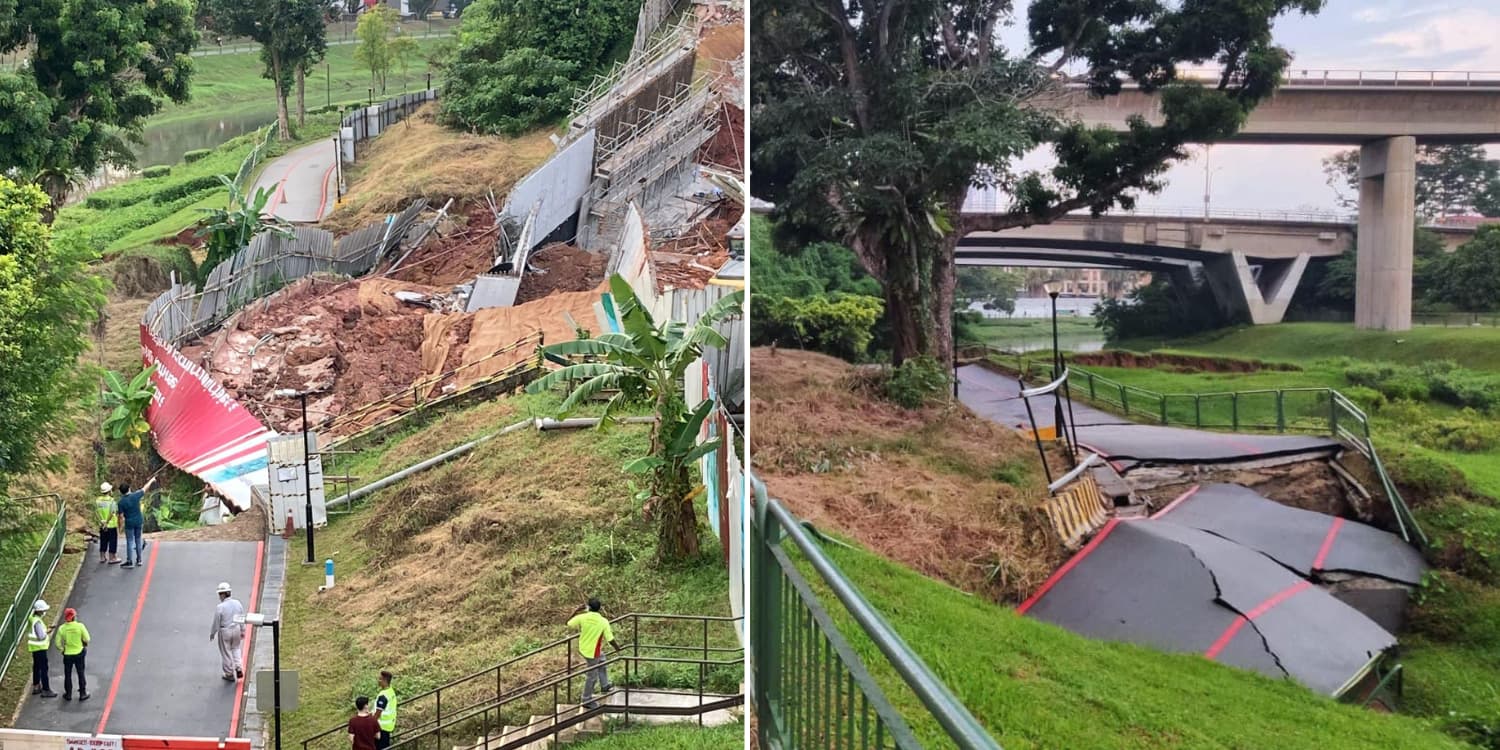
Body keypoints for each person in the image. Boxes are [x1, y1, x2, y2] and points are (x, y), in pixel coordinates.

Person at [566, 598, 621, 709]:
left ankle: (605, 685)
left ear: (588, 607)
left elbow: (569, 623)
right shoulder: (603, 621)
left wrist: (576, 611)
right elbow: (610, 639)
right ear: (599, 609)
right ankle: (586, 699)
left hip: (584, 648)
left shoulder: (582, 617)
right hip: (593, 652)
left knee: (602, 660)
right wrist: (618, 648)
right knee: (592, 676)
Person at [117, 477, 157, 569]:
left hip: (129, 523)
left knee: (130, 541)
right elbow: (145, 488)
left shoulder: (121, 503)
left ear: (121, 492)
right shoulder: (135, 495)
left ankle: (129, 561)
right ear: (129, 489)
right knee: (138, 539)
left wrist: (119, 527)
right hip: (139, 521)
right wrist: (151, 480)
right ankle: (139, 560)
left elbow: (120, 517)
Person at [210, 582, 245, 681]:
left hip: (225, 631)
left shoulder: (220, 607)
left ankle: (229, 673)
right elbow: (241, 617)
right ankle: (238, 667)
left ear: (223, 594)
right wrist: (242, 630)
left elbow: (216, 622)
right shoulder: (237, 603)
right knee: (236, 649)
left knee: (226, 652)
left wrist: (213, 633)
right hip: (236, 628)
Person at [56, 608, 90, 701]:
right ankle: (83, 693)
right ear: (74, 617)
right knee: (81, 672)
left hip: (68, 654)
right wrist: (83, 643)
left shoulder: (62, 628)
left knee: (67, 674)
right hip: (79, 652)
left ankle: (68, 694)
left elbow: (57, 643)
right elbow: (87, 638)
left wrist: (62, 650)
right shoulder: (80, 626)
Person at [27, 599, 56, 698]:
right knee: (44, 668)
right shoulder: (37, 622)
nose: (44, 612)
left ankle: (36, 686)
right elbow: (41, 636)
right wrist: (47, 631)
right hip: (40, 648)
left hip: (35, 648)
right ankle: (46, 689)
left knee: (36, 667)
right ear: (39, 611)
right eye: (43, 610)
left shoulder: (32, 618)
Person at [96, 482, 119, 564]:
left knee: (103, 540)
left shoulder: (98, 500)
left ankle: (102, 557)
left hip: (102, 525)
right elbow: (112, 512)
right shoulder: (111, 501)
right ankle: (112, 558)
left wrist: (102, 522)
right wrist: (107, 522)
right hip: (111, 524)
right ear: (109, 491)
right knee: (112, 540)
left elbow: (97, 512)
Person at [373, 671, 397, 750]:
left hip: (381, 727)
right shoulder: (391, 691)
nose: (378, 681)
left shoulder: (383, 696)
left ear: (384, 680)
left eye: (380, 679)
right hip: (388, 726)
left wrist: (370, 724)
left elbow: (378, 714)